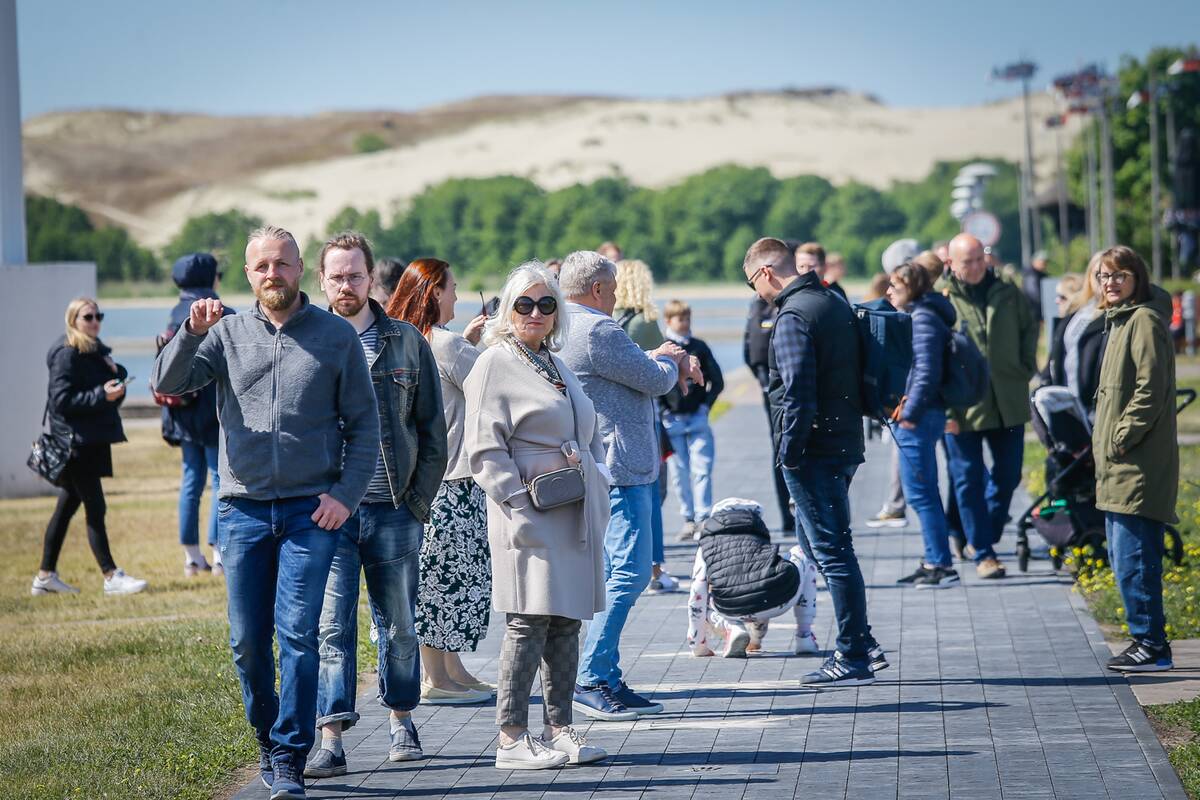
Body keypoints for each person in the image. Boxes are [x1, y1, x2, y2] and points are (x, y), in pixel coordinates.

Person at [153, 224, 380, 798]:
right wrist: (189, 333)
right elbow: (167, 381)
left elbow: (365, 426)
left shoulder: (334, 336)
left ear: (300, 269)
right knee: (247, 642)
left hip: (311, 512)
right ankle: (266, 735)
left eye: (282, 264)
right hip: (242, 511)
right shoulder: (225, 333)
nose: (272, 274)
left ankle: (289, 754)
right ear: (248, 275)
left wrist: (345, 495)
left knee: (298, 634)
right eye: (262, 266)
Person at [306, 234, 449, 779]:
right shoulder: (305, 341)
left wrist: (416, 501)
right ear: (322, 281)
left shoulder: (406, 340)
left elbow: (432, 429)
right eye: (337, 277)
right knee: (331, 628)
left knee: (400, 626)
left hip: (393, 508)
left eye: (355, 276)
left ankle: (401, 721)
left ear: (371, 279)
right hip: (328, 514)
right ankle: (331, 739)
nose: (346, 285)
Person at [464, 261, 612, 769]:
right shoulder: (495, 362)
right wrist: (517, 502)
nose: (535, 313)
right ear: (508, 309)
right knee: (528, 622)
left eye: (546, 304)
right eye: (524, 304)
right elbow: (484, 447)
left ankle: (560, 728)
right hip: (528, 512)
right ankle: (511, 737)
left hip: (572, 510)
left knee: (566, 621)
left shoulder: (552, 361)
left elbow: (586, 428)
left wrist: (597, 475)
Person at [557, 250, 699, 719]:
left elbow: (631, 367)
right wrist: (671, 361)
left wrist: (657, 357)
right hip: (622, 468)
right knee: (631, 573)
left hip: (602, 466)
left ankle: (607, 674)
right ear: (597, 288)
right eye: (613, 288)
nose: (617, 296)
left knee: (614, 573)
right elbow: (654, 381)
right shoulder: (599, 329)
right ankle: (592, 676)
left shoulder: (565, 326)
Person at [743, 237, 882, 686]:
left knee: (834, 552)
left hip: (813, 451)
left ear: (766, 272)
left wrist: (788, 454)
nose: (756, 294)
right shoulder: (831, 301)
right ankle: (863, 640)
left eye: (752, 284)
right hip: (843, 441)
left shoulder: (793, 316)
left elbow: (797, 393)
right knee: (820, 545)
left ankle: (853, 655)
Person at [388, 258, 495, 705]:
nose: (456, 296)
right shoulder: (447, 344)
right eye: (452, 288)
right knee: (448, 579)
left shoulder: (407, 338)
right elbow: (495, 384)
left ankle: (451, 669)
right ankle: (437, 677)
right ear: (434, 292)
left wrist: (467, 340)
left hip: (426, 480)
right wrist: (493, 342)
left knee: (440, 575)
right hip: (456, 480)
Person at [1092, 246, 1178, 672]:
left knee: (1135, 558)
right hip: (1118, 462)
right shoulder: (1119, 319)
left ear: (1137, 278)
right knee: (1122, 557)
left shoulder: (1143, 320)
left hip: (1136, 462)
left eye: (1119, 275)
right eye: (1104, 276)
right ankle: (1144, 638)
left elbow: (1150, 388)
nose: (1110, 283)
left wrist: (1121, 436)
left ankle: (1152, 644)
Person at [32, 298, 148, 597]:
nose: (95, 321)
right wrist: (101, 395)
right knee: (96, 507)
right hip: (74, 444)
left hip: (89, 440)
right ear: (73, 320)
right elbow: (61, 400)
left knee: (66, 508)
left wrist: (115, 378)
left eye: (98, 316)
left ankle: (45, 577)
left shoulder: (94, 351)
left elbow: (106, 393)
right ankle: (110, 576)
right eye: (88, 317)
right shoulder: (67, 353)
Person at [942, 233, 1038, 580]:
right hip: (961, 407)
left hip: (1007, 399)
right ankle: (983, 552)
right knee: (967, 478)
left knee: (1009, 475)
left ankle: (978, 533)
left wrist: (1024, 366)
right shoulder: (941, 300)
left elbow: (1029, 328)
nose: (976, 267)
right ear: (951, 263)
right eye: (967, 261)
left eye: (979, 259)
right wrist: (946, 411)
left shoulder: (1008, 292)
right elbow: (928, 356)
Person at [158, 253, 234, 577]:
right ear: (211, 278)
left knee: (190, 480)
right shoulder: (221, 312)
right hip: (212, 412)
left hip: (182, 412)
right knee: (219, 479)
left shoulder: (175, 313)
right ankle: (218, 553)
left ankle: (191, 555)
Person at [887, 262, 961, 589]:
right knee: (923, 491)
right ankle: (934, 559)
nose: (889, 291)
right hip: (924, 414)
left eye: (895, 286)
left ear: (912, 287)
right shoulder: (924, 314)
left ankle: (941, 565)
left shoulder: (924, 319)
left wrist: (910, 413)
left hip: (920, 416)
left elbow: (927, 372)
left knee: (920, 493)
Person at [612, 258, 678, 592]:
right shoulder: (646, 322)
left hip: (609, 420)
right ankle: (654, 567)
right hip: (642, 416)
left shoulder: (608, 321)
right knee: (652, 492)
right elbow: (658, 374)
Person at [687, 498, 819, 658]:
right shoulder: (758, 535)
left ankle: (731, 627)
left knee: (708, 593)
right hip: (779, 602)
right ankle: (804, 635)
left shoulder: (706, 545)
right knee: (797, 556)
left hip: (729, 608)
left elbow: (697, 591)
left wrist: (697, 644)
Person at [660, 299, 724, 538]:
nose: (685, 323)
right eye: (680, 319)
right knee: (680, 472)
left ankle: (703, 517)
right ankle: (688, 518)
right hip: (672, 420)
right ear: (668, 321)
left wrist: (705, 406)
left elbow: (717, 381)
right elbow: (654, 383)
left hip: (697, 417)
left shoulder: (699, 347)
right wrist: (663, 409)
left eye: (688, 318)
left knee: (702, 468)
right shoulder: (662, 348)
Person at [1041, 265, 1103, 417]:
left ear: (1077, 297)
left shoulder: (1085, 324)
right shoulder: (1065, 325)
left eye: (1062, 297)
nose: (1057, 301)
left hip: (1082, 406)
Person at [1022, 249, 1050, 323]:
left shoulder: (1041, 275)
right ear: (1035, 261)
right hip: (1032, 312)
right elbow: (1034, 295)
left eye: (1045, 262)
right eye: (1042, 261)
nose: (1044, 264)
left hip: (1036, 312)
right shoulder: (1031, 275)